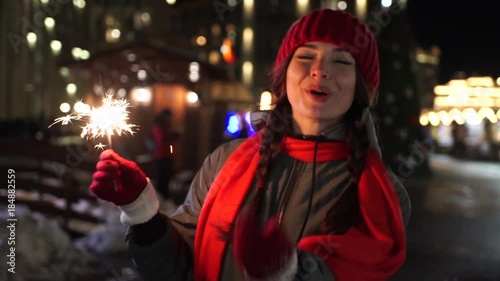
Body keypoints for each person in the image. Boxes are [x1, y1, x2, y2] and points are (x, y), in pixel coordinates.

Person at [89, 9, 411, 281]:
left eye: (341, 61)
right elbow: (178, 268)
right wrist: (142, 212)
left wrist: (288, 270)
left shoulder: (382, 197)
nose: (320, 70)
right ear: (285, 74)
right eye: (306, 56)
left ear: (360, 88)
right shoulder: (224, 162)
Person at [150, 109, 178, 199]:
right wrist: (172, 136)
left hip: (167, 155)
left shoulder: (166, 126)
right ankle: (160, 196)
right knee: (161, 177)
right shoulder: (159, 126)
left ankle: (164, 195)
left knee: (166, 177)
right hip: (161, 156)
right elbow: (161, 140)